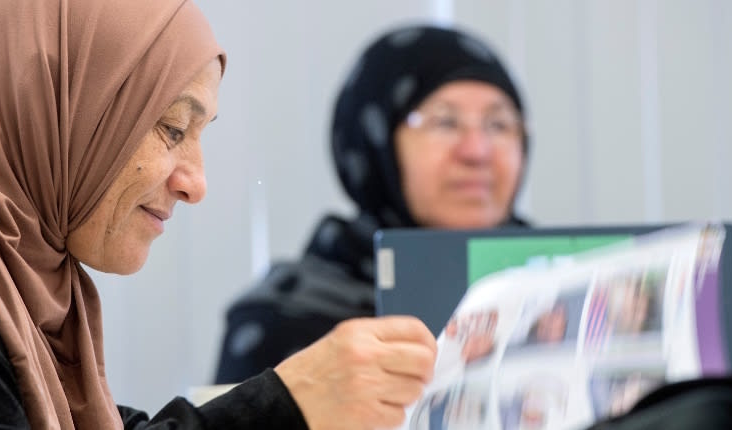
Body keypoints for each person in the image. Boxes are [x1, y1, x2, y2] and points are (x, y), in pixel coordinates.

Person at [0, 1, 436, 429]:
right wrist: (284, 407)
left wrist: (293, 401)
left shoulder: (16, 254)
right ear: (58, 101)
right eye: (172, 128)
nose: (196, 183)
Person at [216, 24, 532, 384]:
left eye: (499, 124)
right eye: (445, 122)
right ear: (374, 141)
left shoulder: (561, 291)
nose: (477, 151)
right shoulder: (281, 325)